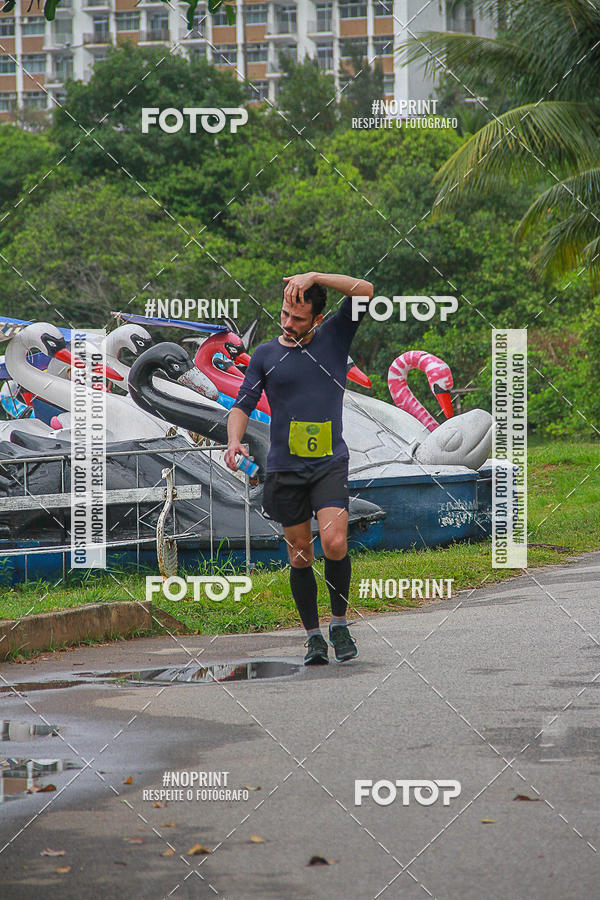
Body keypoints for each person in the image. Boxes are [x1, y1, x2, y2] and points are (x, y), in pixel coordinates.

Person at [224, 271, 374, 665]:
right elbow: (242, 403)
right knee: (301, 555)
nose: (289, 324)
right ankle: (312, 637)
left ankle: (339, 623)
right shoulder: (265, 356)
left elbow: (366, 290)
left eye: (299, 318)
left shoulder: (337, 335)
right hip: (285, 470)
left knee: (336, 541)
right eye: (285, 315)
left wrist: (317, 276)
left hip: (328, 463)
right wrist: (234, 439)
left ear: (317, 320)